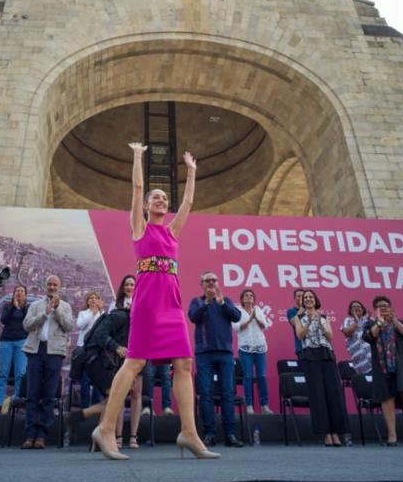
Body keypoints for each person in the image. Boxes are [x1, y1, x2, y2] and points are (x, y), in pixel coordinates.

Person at [91, 143, 218, 461]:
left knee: (184, 364)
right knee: (135, 363)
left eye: (164, 197)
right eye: (155, 197)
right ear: (147, 206)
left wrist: (191, 172)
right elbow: (136, 187)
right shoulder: (139, 228)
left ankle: (189, 433)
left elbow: (188, 201)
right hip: (148, 303)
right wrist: (136, 155)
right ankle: (106, 428)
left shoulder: (173, 231)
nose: (161, 199)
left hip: (172, 302)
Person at [71, 277, 132, 441]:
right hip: (93, 360)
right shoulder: (120, 316)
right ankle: (81, 418)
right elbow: (99, 336)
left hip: (99, 361)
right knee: (115, 397)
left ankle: (98, 434)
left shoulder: (130, 321)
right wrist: (116, 347)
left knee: (113, 398)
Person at [361, 295, 403, 446]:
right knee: (387, 397)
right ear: (375, 309)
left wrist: (394, 321)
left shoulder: (400, 322)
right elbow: (368, 337)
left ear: (391, 308)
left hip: (402, 364)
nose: (383, 308)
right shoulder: (370, 324)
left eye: (385, 305)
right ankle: (392, 435)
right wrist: (379, 322)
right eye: (379, 306)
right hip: (383, 366)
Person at [189, 271, 243, 447]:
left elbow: (237, 316)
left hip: (225, 354)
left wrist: (220, 303)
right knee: (206, 394)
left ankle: (230, 434)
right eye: (207, 280)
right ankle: (209, 434)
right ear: (202, 284)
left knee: (228, 393)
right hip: (204, 353)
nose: (211, 283)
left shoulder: (225, 301)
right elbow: (193, 317)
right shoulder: (197, 301)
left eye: (214, 280)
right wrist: (207, 302)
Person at [20, 274, 74, 449]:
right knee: (32, 394)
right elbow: (27, 325)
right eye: (49, 284)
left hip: (54, 352)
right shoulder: (36, 305)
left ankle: (42, 435)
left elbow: (68, 326)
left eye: (55, 285)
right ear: (45, 286)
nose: (52, 287)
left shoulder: (65, 306)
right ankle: (30, 435)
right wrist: (45, 314)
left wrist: (57, 310)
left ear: (59, 287)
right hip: (35, 350)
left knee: (49, 395)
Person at [291, 290, 346, 446]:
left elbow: (330, 336)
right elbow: (300, 336)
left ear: (315, 300)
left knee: (332, 393)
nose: (308, 299)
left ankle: (336, 432)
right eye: (306, 298)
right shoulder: (298, 318)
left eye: (311, 297)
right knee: (318, 395)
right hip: (309, 355)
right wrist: (308, 321)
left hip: (326, 354)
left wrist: (321, 324)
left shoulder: (323, 316)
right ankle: (326, 433)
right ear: (303, 302)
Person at [109, 274, 143, 447]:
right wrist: (116, 347)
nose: (130, 287)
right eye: (127, 284)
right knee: (121, 394)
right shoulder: (114, 306)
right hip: (120, 354)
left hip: (139, 353)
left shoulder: (142, 303)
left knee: (136, 394)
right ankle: (118, 436)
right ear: (123, 287)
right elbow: (108, 330)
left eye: (132, 284)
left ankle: (134, 437)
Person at [233, 288, 272, 414]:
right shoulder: (238, 311)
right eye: (246, 295)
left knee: (261, 376)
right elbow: (237, 327)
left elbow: (264, 326)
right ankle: (249, 405)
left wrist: (256, 318)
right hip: (245, 348)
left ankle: (264, 405)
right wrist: (250, 319)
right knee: (248, 376)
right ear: (242, 299)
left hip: (260, 347)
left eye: (251, 295)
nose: (249, 297)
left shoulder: (258, 310)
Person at [0, 284, 29, 413]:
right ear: (14, 293)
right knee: (3, 374)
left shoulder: (28, 308)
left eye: (22, 291)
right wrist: (14, 308)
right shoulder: (7, 306)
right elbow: (4, 320)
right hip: (6, 342)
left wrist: (21, 307)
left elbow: (28, 321)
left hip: (21, 342)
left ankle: (17, 403)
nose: (19, 293)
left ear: (25, 294)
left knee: (20, 374)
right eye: (17, 291)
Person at [76, 291, 105, 410]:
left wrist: (98, 312)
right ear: (87, 301)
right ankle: (84, 408)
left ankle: (95, 410)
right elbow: (80, 325)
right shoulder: (83, 313)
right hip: (85, 350)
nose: (93, 300)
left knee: (97, 381)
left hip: (98, 351)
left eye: (95, 298)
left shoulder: (103, 314)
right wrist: (92, 314)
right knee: (85, 380)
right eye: (91, 298)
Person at [341, 300, 372, 375]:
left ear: (363, 309)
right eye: (353, 307)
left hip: (374, 359)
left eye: (358, 306)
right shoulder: (347, 320)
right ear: (350, 311)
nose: (356, 308)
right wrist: (356, 320)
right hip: (360, 363)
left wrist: (367, 320)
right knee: (365, 385)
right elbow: (348, 332)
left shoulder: (370, 320)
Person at [286, 289, 305, 355]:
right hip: (301, 347)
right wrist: (302, 308)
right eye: (298, 296)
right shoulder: (291, 311)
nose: (300, 298)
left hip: (316, 347)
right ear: (295, 298)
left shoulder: (311, 310)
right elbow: (294, 323)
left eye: (302, 296)